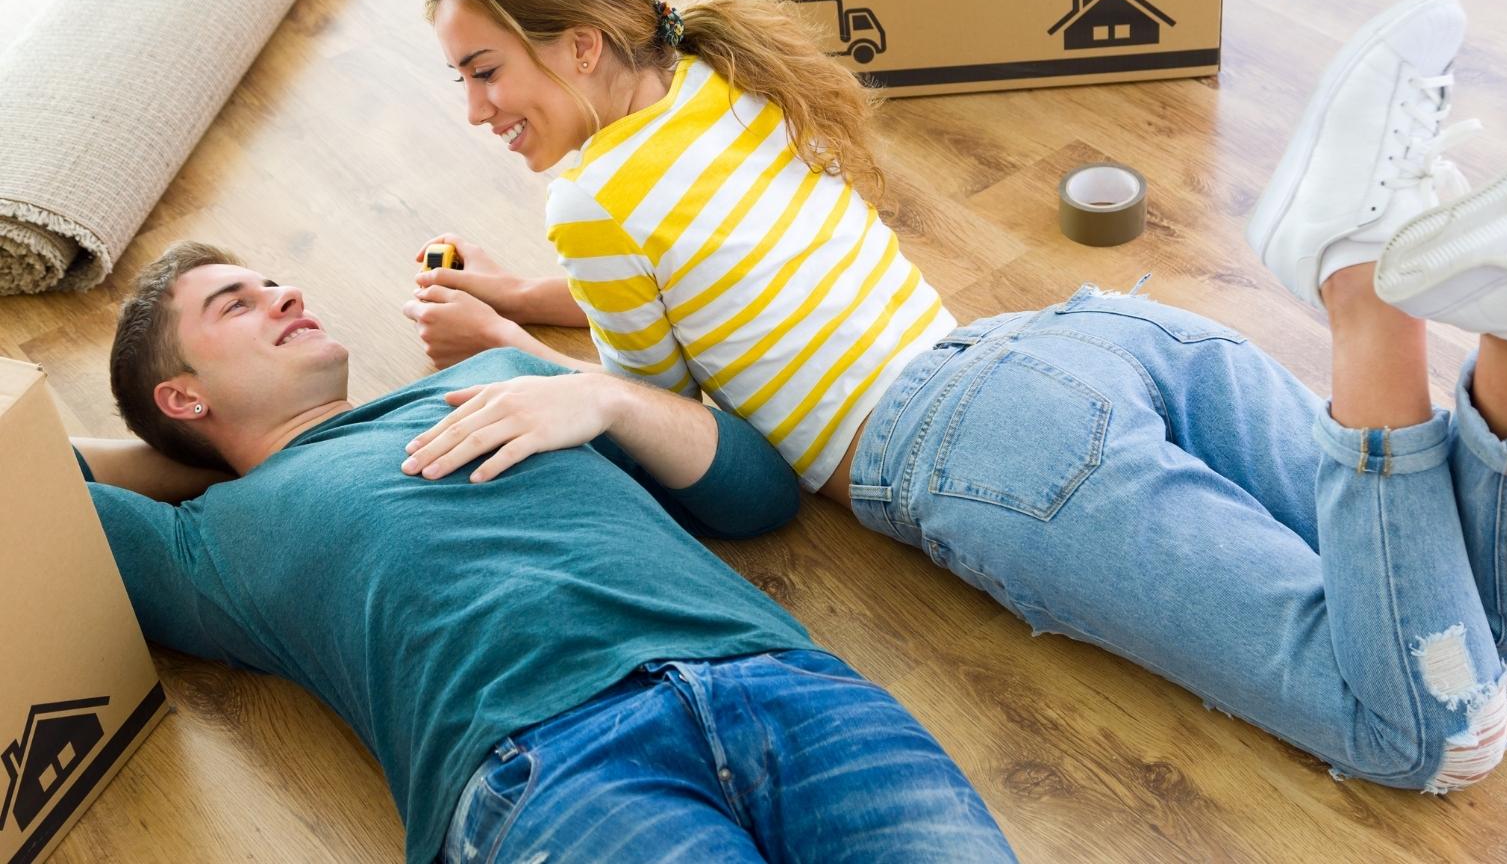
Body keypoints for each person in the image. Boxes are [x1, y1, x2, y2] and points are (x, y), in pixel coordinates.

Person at [406, 0, 1507, 793]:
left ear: (576, 44)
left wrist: (518, 344)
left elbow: (675, 419)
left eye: (483, 70)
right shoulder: (722, 74)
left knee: (1426, 732)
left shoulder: (591, 200)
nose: (474, 112)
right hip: (1089, 342)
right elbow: (719, 263)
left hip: (988, 454)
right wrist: (527, 297)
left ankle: (1363, 288)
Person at [74, 242, 1020, 864]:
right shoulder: (206, 543)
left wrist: (605, 399)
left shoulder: (499, 377)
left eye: (273, 280)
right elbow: (24, 456)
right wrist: (183, 461)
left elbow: (757, 494)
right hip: (547, 767)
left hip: (781, 686)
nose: (284, 292)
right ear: (183, 398)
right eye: (236, 305)